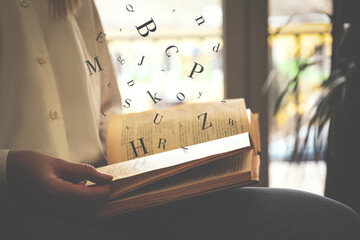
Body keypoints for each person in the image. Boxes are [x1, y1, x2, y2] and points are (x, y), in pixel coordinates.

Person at [0, 1, 359, 239]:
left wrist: (161, 149)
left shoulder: (74, 5)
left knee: (328, 222)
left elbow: (105, 109)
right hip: (17, 210)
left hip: (109, 199)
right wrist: (7, 167)